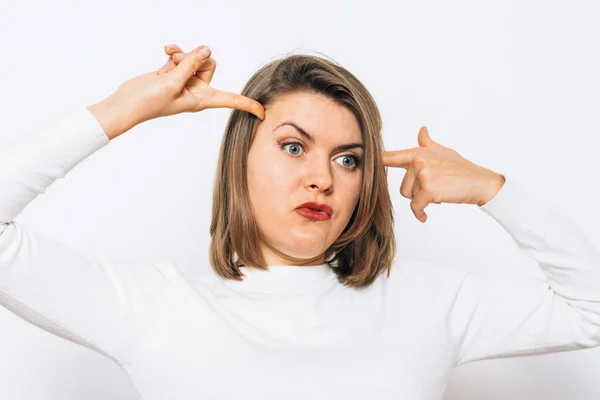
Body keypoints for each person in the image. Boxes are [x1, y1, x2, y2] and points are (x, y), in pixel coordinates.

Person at [0, 43, 598, 400]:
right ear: (241, 161)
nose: (322, 178)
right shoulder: (154, 305)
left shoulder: (426, 301)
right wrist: (121, 110)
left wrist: (495, 191)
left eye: (348, 158)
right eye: (293, 147)